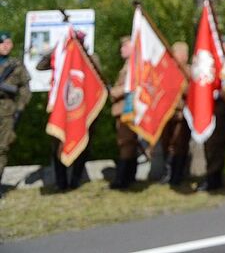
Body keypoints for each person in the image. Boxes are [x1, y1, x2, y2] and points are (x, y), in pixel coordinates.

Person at [39, 30, 102, 191]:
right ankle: (61, 182)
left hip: (83, 110)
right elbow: (40, 66)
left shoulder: (91, 59)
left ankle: (75, 180)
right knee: (57, 145)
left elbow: (98, 80)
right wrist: (58, 51)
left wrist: (84, 57)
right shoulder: (62, 58)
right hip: (61, 110)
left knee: (83, 145)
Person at [108, 35, 140, 190]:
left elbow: (132, 85)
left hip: (127, 109)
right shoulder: (128, 65)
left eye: (125, 46)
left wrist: (114, 91)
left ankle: (122, 179)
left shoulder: (133, 66)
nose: (121, 49)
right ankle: (129, 176)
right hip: (123, 109)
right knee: (127, 143)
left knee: (126, 143)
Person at [0, 31, 31, 190]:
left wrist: (19, 109)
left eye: (9, 43)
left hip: (7, 111)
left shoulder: (15, 65)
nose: (6, 46)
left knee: (2, 148)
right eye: (3, 43)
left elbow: (25, 89)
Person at [160, 41, 192, 187]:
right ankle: (168, 172)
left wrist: (180, 77)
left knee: (179, 144)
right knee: (167, 144)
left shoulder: (189, 71)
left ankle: (178, 175)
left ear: (185, 55)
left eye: (177, 53)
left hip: (181, 114)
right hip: (167, 114)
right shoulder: (167, 71)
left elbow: (190, 91)